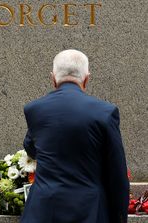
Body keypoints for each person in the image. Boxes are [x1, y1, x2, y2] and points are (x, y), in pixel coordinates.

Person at [20, 49, 129, 223]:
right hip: (89, 209)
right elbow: (117, 171)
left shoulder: (34, 110)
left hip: (43, 209)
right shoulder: (105, 112)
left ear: (53, 78)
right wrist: (119, 216)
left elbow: (31, 147)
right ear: (86, 79)